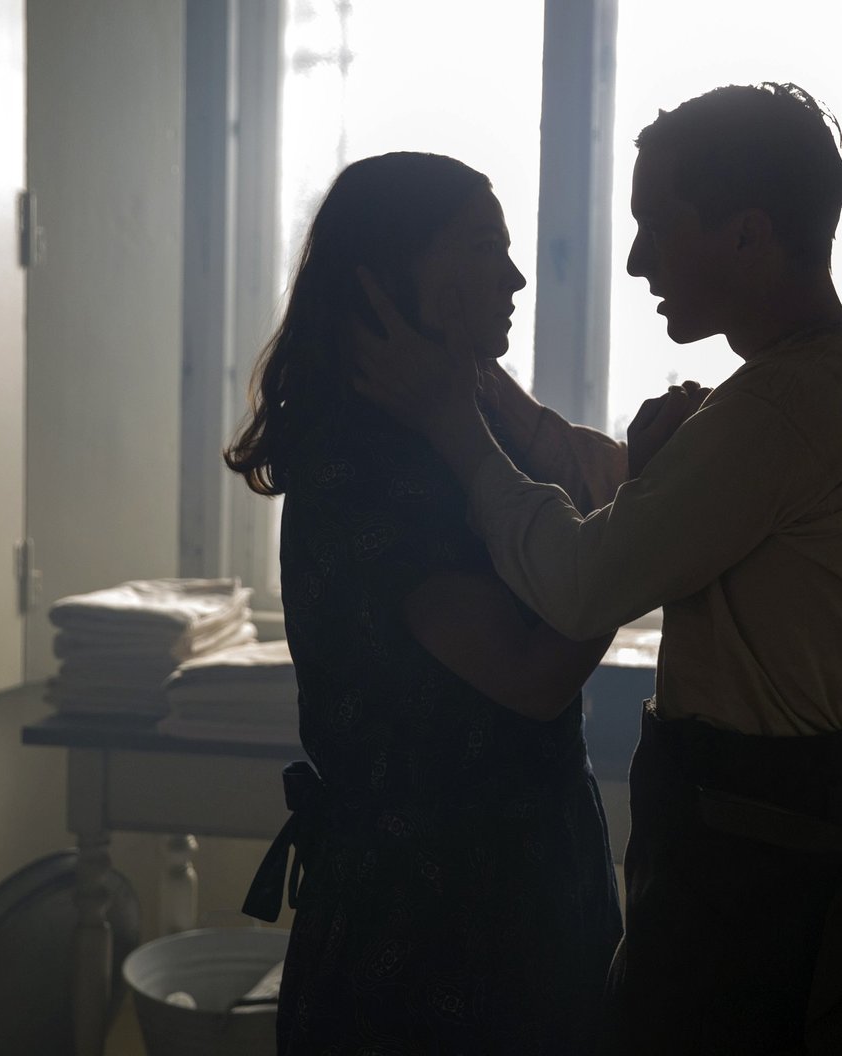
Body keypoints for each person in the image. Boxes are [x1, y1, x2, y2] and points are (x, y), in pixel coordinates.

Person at [353, 84, 842, 1054]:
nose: (634, 261)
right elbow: (644, 496)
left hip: (754, 859)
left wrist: (455, 425)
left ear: (747, 235)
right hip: (777, 834)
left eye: (655, 227)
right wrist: (476, 381)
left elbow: (585, 581)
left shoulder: (783, 408)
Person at [225, 152, 625, 1055]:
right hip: (435, 924)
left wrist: (476, 390)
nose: (515, 278)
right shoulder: (371, 466)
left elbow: (580, 481)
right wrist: (628, 553)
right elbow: (530, 677)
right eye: (484, 247)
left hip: (510, 896)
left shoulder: (454, 433)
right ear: (391, 274)